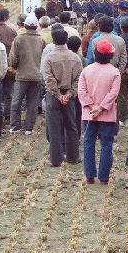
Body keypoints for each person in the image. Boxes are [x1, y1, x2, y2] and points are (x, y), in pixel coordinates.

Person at [78, 39, 121, 184]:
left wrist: (92, 107)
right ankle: (104, 177)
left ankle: (89, 175)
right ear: (110, 56)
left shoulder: (86, 70)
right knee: (106, 144)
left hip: (89, 114)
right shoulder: (115, 72)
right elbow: (113, 93)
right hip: (107, 115)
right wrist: (101, 108)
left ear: (95, 54)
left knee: (88, 142)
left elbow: (81, 92)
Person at [41, 28, 83, 165]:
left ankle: (56, 159)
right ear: (66, 40)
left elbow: (48, 79)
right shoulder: (75, 58)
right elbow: (78, 79)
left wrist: (58, 95)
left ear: (53, 40)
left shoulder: (49, 58)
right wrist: (69, 93)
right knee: (71, 125)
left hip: (53, 96)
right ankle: (73, 157)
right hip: (69, 96)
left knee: (54, 127)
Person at [9, 14, 47, 135]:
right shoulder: (41, 40)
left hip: (22, 75)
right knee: (33, 102)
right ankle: (29, 127)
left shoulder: (19, 39)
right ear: (36, 26)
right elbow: (45, 58)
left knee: (16, 101)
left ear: (24, 25)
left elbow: (13, 59)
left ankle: (15, 126)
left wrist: (14, 67)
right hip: (36, 76)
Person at [0, 8, 17, 121]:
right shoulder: (12, 31)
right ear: (5, 18)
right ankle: (7, 115)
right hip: (9, 66)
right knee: (8, 92)